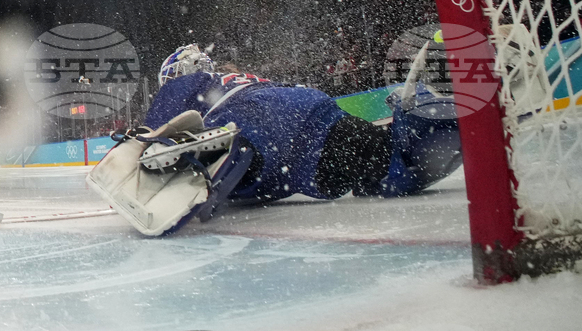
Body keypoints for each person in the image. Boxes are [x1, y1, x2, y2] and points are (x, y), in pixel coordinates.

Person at [87, 44, 463, 236]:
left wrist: (149, 137)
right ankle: (457, 119)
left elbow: (177, 95)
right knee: (389, 167)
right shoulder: (240, 82)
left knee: (242, 146)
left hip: (281, 143)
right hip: (311, 145)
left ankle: (216, 156)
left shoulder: (197, 85)